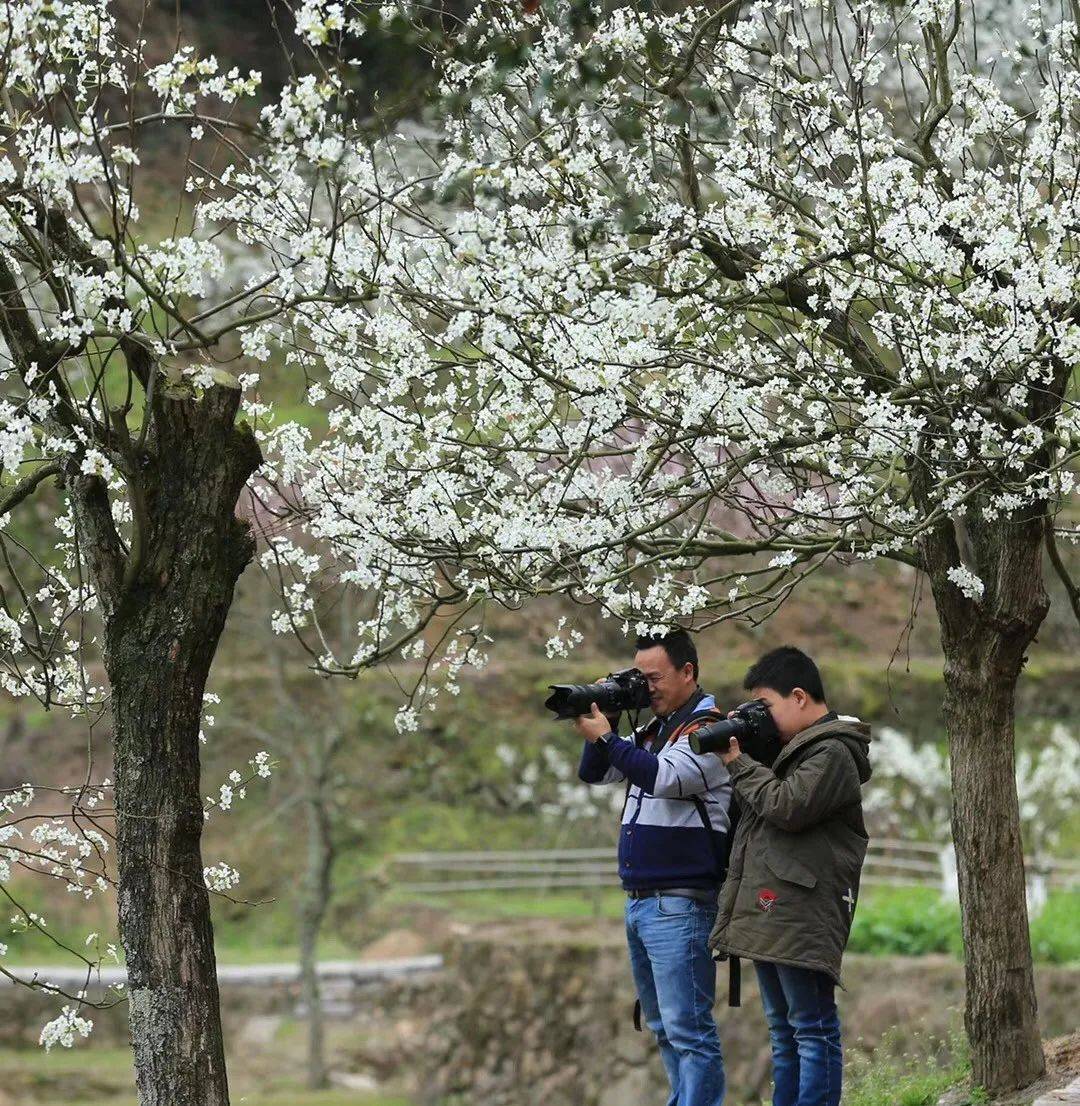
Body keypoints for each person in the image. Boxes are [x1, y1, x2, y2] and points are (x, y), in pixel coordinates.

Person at [706, 646, 872, 1106]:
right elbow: (753, 811)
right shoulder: (791, 752)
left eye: (767, 707)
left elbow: (787, 807)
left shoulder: (834, 751)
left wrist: (739, 762)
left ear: (799, 697)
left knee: (812, 1029)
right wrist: (755, 747)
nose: (765, 717)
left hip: (803, 912)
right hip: (773, 907)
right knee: (784, 1032)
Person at [576, 629, 732, 1106]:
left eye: (655, 678)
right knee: (664, 1026)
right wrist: (610, 714)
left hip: (680, 902)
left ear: (689, 672)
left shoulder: (710, 730)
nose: (649, 687)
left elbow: (664, 777)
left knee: (690, 1029)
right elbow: (595, 772)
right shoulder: (655, 730)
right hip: (644, 905)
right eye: (640, 679)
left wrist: (609, 736)